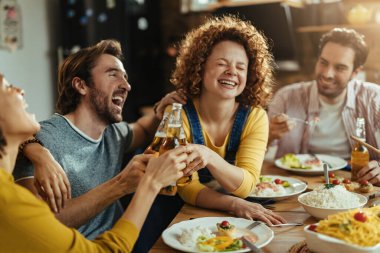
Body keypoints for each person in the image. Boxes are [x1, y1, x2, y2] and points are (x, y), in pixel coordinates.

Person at [12, 39, 187, 241]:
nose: (127, 85)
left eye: (125, 77)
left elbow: (143, 128)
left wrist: (161, 108)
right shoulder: (42, 141)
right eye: (113, 74)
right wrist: (121, 184)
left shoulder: (112, 133)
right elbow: (40, 225)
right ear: (81, 85)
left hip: (123, 241)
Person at [168, 15, 286, 224]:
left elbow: (248, 183)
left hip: (233, 212)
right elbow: (187, 188)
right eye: (222, 64)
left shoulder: (256, 117)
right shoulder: (179, 115)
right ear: (200, 67)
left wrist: (209, 157)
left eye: (241, 67)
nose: (232, 72)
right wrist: (232, 204)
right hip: (181, 213)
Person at [267, 28, 380, 185]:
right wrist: (269, 135)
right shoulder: (286, 97)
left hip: (355, 185)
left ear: (355, 72)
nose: (327, 74)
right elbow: (258, 153)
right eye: (323, 62)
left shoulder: (374, 98)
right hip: (296, 186)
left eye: (340, 68)